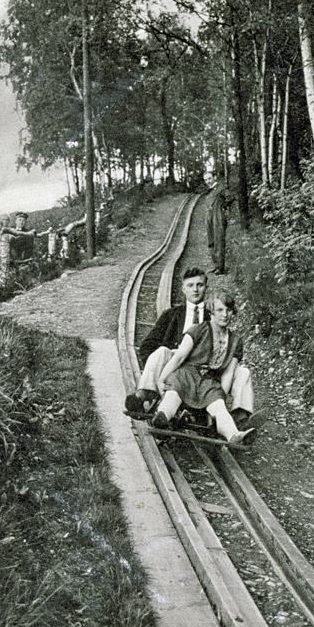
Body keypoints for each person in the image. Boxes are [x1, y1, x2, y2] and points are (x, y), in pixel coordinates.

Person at [125, 267, 254, 426]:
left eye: (200, 285)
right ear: (183, 288)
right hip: (179, 366)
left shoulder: (215, 314)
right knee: (162, 351)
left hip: (209, 371)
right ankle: (144, 395)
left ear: (206, 287)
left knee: (243, 371)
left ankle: (239, 416)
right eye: (190, 285)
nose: (195, 289)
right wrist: (164, 366)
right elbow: (147, 346)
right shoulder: (171, 315)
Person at [151, 293, 255, 446]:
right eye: (220, 310)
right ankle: (162, 418)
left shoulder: (235, 341)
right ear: (211, 312)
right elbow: (179, 357)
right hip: (187, 374)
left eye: (229, 310)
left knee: (218, 407)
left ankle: (234, 435)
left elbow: (229, 372)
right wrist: (161, 379)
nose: (225, 315)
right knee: (173, 395)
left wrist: (221, 395)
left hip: (209, 381)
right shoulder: (198, 330)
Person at [206, 189, 230, 274]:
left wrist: (222, 207)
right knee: (211, 241)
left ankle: (221, 268)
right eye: (206, 179)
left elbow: (230, 197)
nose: (208, 181)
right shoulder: (209, 191)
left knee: (219, 241)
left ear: (214, 177)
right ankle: (216, 265)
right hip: (210, 218)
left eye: (209, 178)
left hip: (218, 218)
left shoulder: (221, 188)